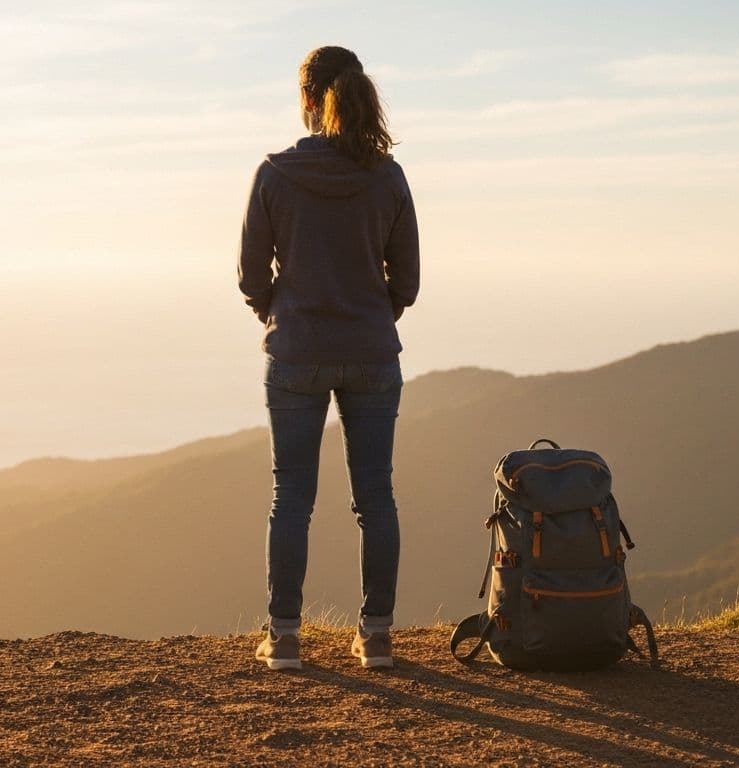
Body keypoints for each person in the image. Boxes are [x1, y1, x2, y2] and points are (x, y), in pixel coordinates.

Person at [237, 45, 419, 671]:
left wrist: (279, 314)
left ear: (309, 101)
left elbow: (250, 275)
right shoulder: (387, 176)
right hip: (372, 353)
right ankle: (377, 637)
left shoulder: (275, 174)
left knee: (292, 497)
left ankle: (284, 637)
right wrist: (370, 315)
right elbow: (409, 282)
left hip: (296, 354)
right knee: (377, 497)